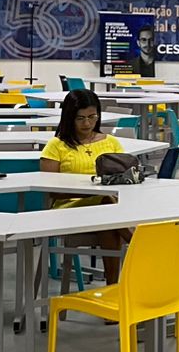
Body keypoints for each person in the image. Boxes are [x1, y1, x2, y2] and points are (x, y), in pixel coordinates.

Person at [39, 89, 129, 285]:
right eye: (80, 118)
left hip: (107, 209)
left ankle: (112, 287)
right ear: (69, 117)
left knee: (109, 219)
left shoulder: (111, 142)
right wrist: (93, 191)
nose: (87, 124)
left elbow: (123, 179)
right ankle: (140, 243)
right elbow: (51, 191)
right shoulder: (56, 146)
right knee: (109, 206)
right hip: (69, 208)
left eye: (92, 117)